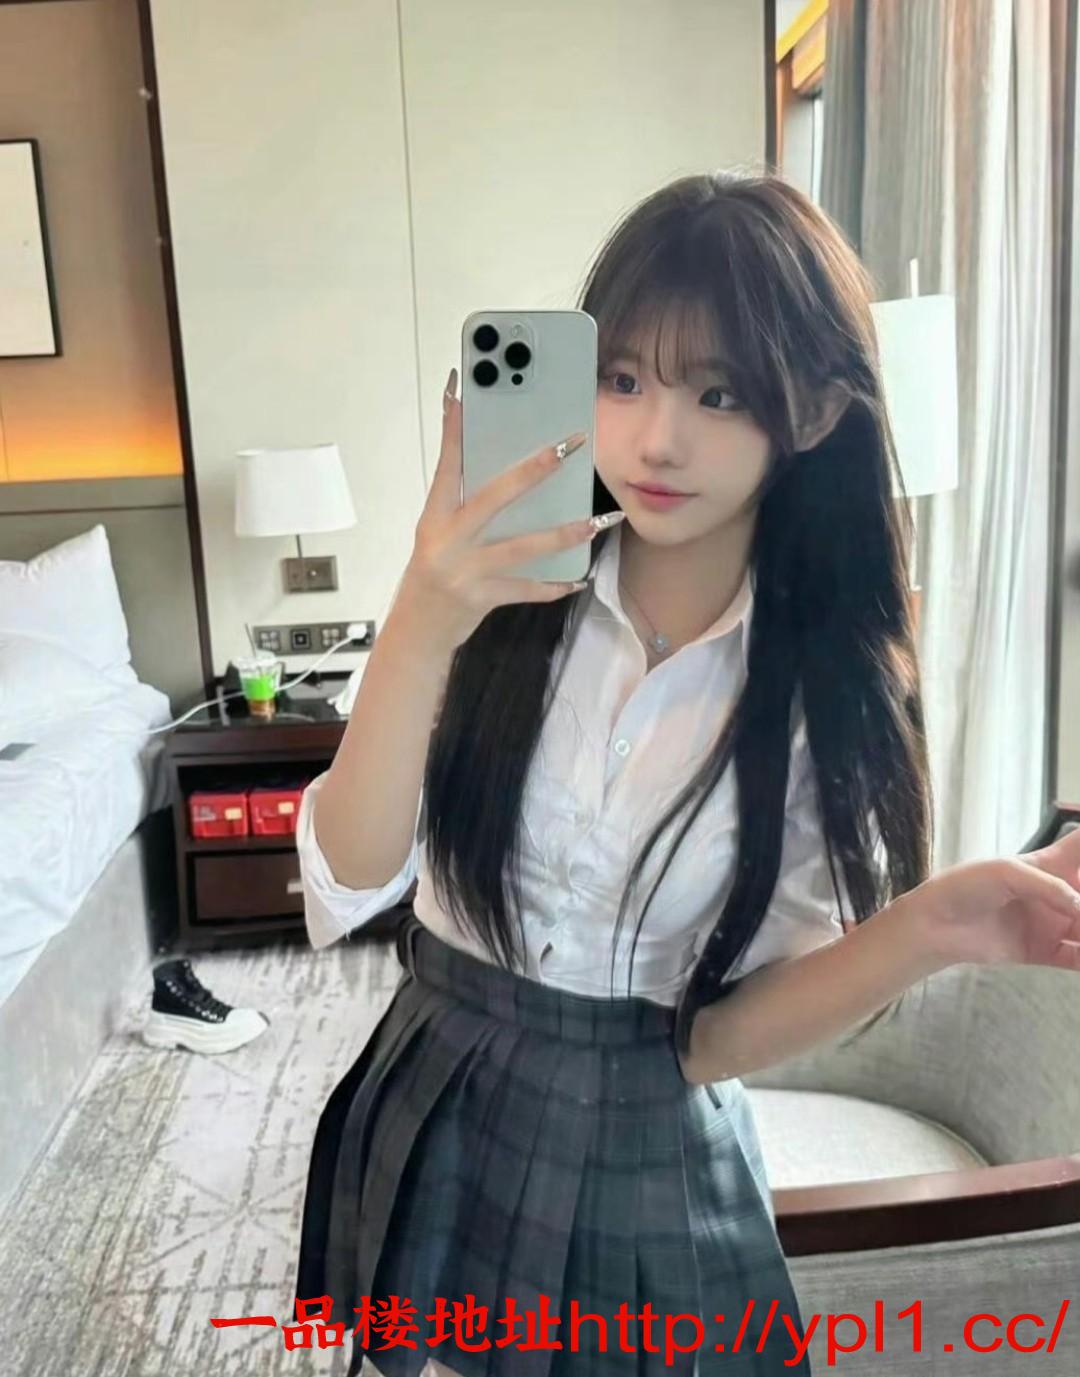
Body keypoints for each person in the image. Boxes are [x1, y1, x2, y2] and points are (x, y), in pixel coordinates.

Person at [291, 170, 1080, 1377]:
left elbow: (711, 1046)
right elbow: (345, 884)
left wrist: (936, 925)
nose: (657, 440)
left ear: (813, 412)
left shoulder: (828, 692)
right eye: (623, 379)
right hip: (440, 1079)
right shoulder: (494, 602)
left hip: (650, 1140)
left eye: (719, 393)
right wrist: (422, 613)